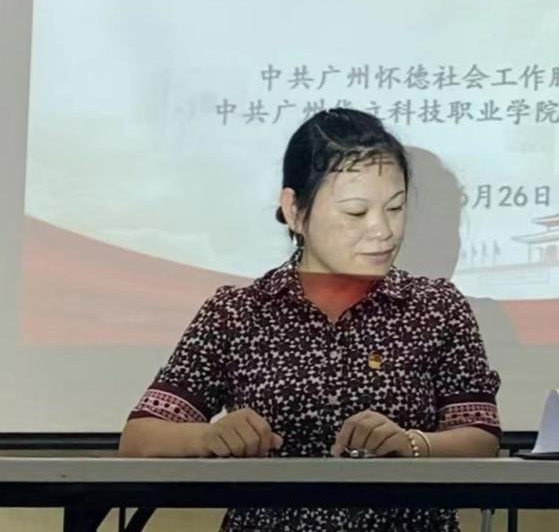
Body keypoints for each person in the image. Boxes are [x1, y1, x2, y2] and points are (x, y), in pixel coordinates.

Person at [119, 109, 501, 532]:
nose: (383, 231)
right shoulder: (237, 313)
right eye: (356, 212)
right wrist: (209, 437)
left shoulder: (436, 308)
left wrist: (414, 444)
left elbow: (480, 435)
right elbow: (141, 437)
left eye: (395, 208)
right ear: (295, 210)